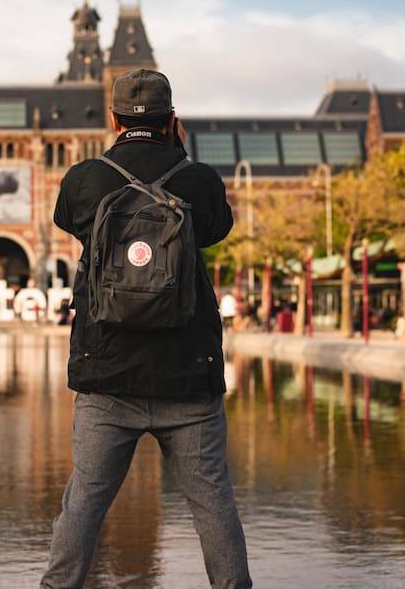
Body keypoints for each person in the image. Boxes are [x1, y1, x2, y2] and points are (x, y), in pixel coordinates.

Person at [43, 69, 250, 588]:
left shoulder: (85, 179)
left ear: (113, 120)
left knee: (83, 506)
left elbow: (67, 219)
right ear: (172, 121)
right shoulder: (199, 180)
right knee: (214, 507)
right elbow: (217, 228)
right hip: (187, 379)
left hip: (107, 377)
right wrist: (179, 158)